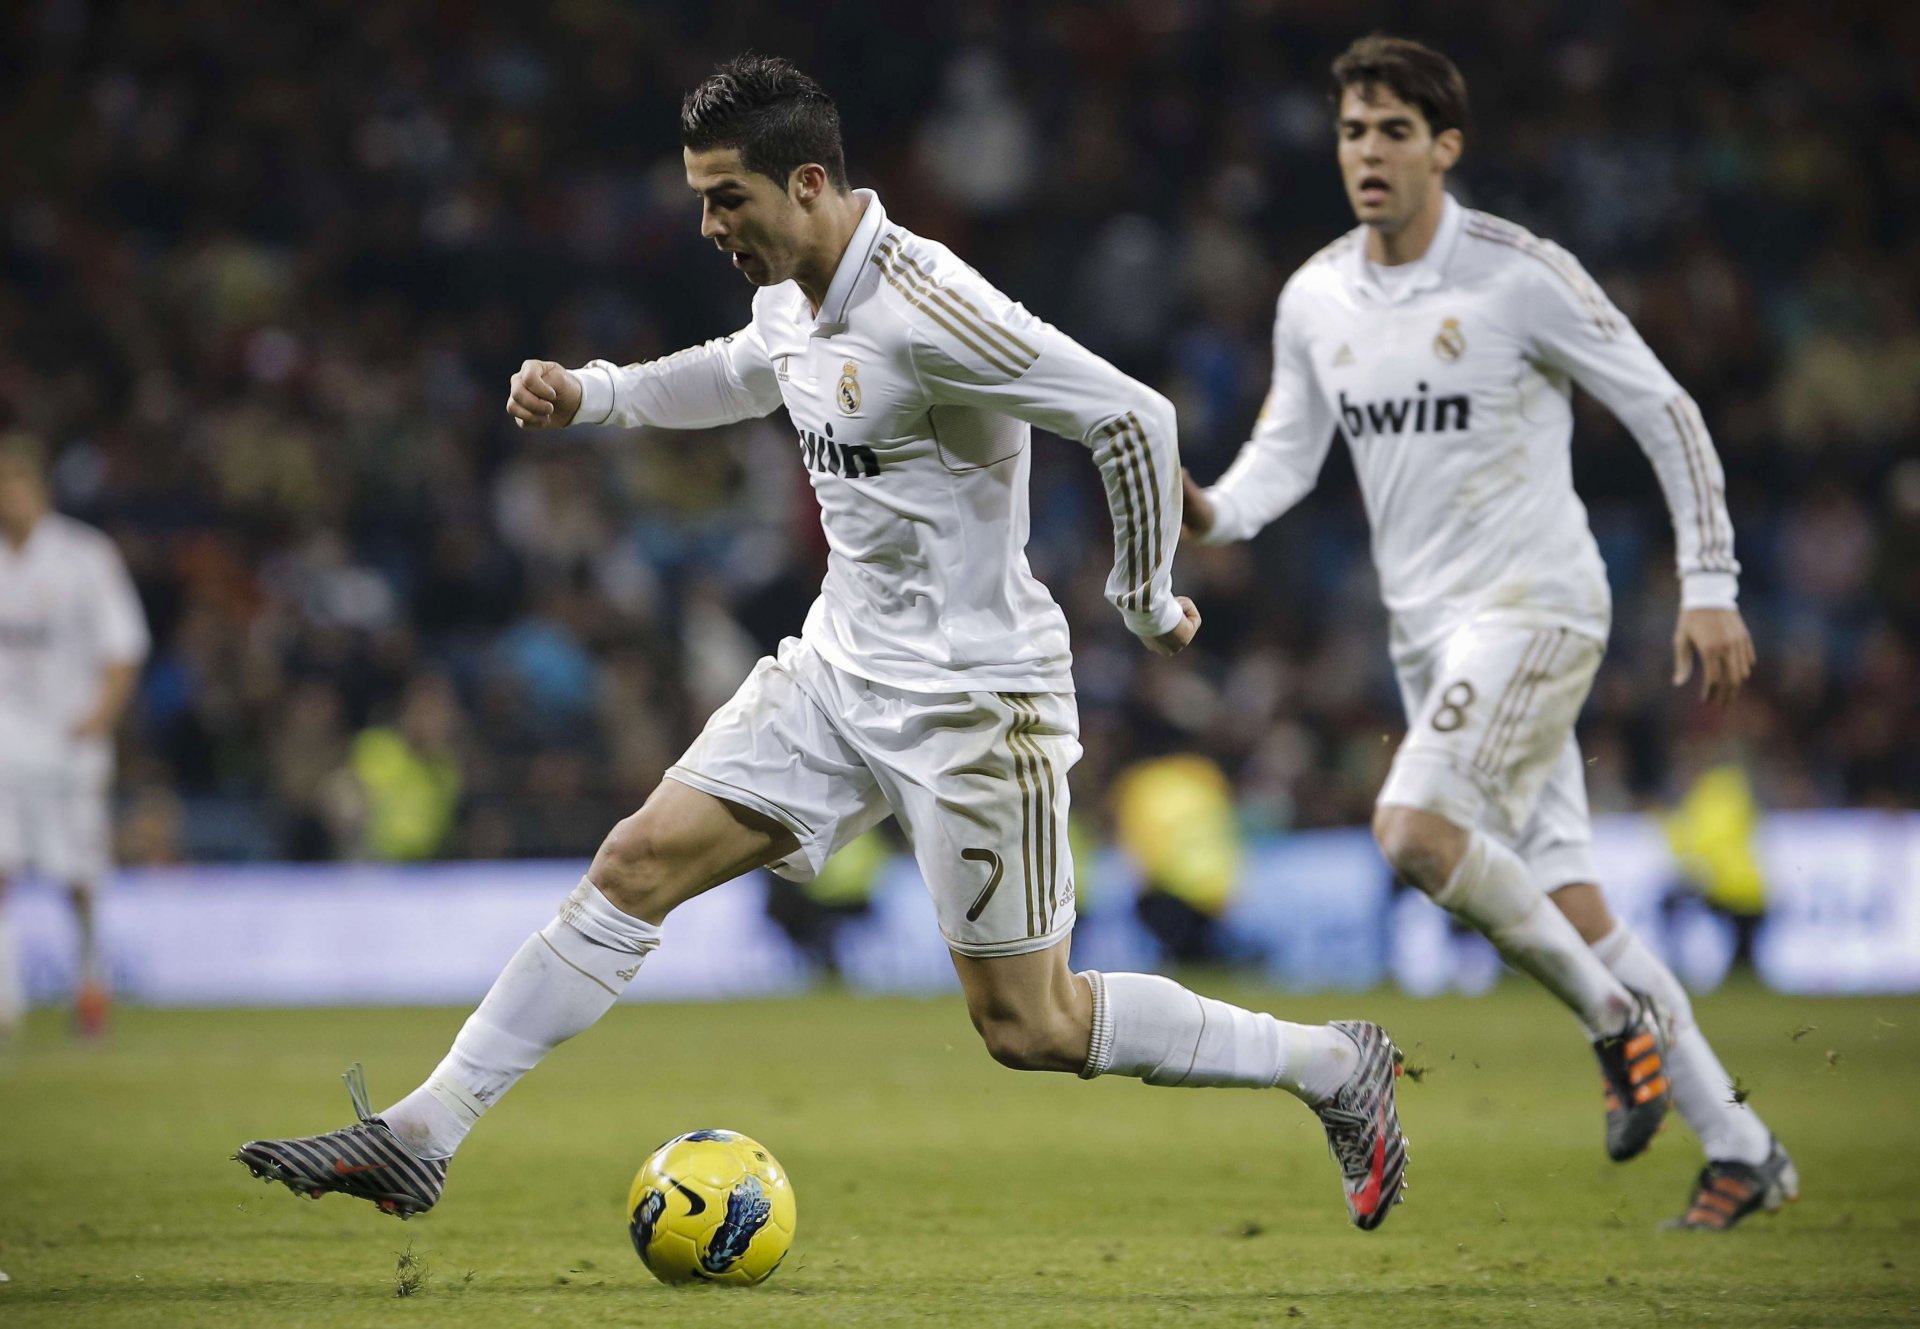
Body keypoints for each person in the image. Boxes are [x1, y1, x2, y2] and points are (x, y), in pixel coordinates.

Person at [237, 55, 1408, 1232]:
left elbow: (1132, 416)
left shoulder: (929, 307)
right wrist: (594, 394)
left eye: (726, 198)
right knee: (635, 862)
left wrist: (1145, 597)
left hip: (974, 703)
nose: (708, 226)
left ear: (807, 183)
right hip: (837, 672)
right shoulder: (792, 297)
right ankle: (422, 1135)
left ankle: (1330, 1064)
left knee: (1031, 1025)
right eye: (700, 199)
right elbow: (741, 372)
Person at [1182, 36, 1793, 1231]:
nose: (1367, 152)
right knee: (1574, 908)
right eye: (1353, 131)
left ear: (1444, 147)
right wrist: (1211, 510)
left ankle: (1615, 1026)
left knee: (1415, 833)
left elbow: (1665, 409)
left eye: (1394, 131)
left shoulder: (1520, 277)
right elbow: (1286, 455)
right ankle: (1742, 1147)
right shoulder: (1316, 296)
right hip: (1432, 643)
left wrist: (1710, 580)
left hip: (1537, 609)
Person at [0, 432, 151, 1042]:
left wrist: (100, 716)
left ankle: (90, 985)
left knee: (80, 876)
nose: (8, 495)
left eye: (16, 482)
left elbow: (125, 646)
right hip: (5, 741)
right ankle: (5, 1001)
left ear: (40, 489)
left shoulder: (85, 556)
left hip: (70, 739)